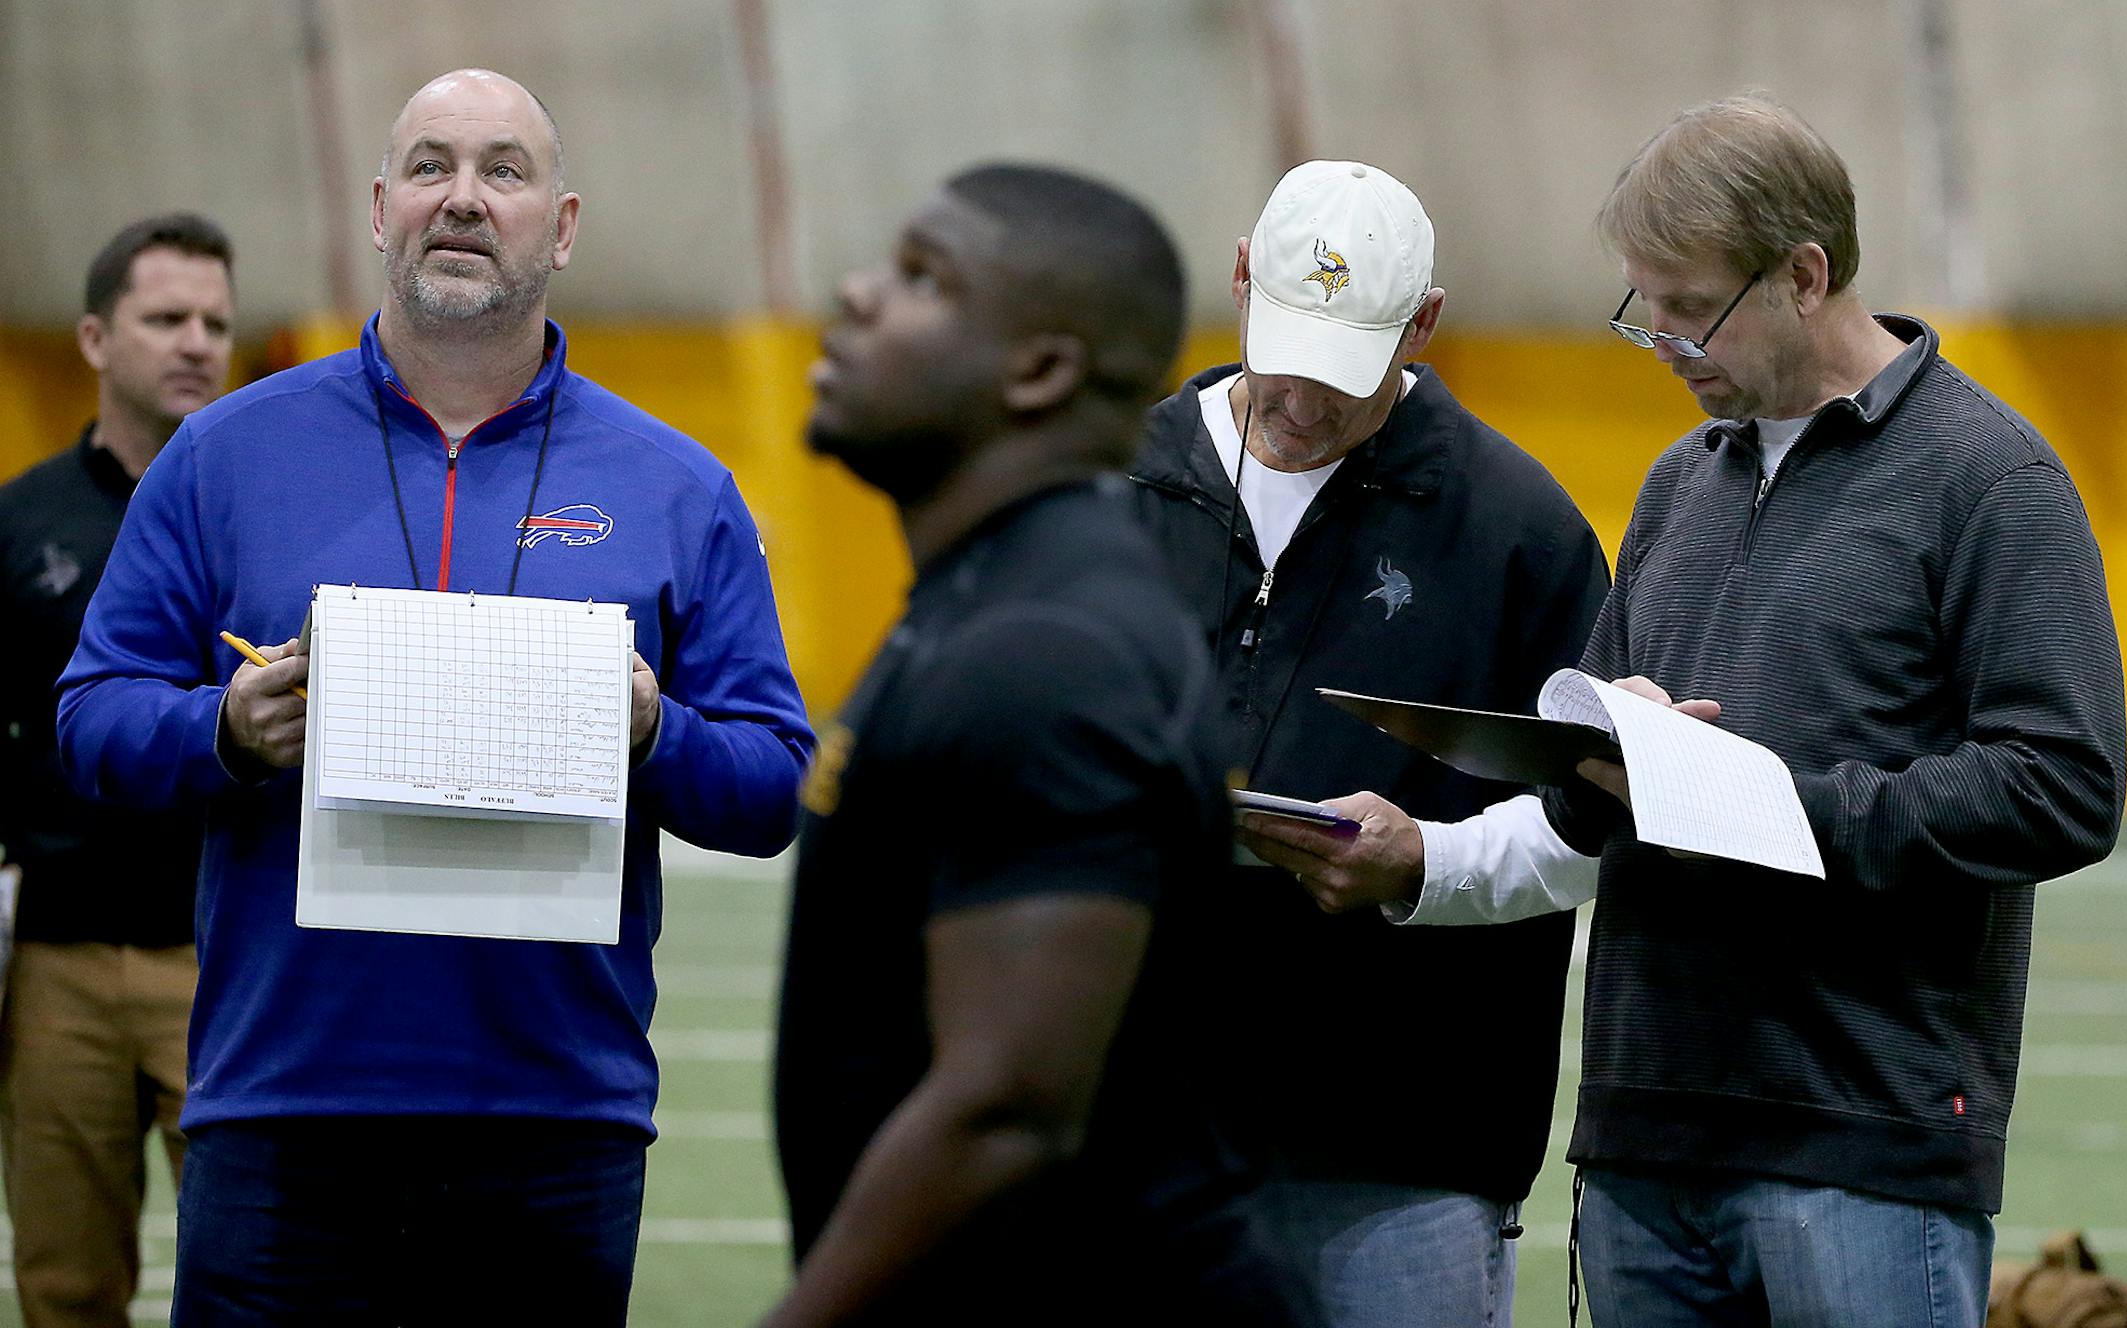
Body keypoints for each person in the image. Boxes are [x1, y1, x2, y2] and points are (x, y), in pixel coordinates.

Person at [54, 69, 812, 1325]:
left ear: (561, 227)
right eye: (429, 167)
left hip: (558, 1124)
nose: (462, 199)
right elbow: (90, 717)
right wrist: (225, 728)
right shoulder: (223, 455)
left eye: (504, 171)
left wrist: (654, 730)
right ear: (379, 209)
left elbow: (773, 783)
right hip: (283, 1113)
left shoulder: (679, 486)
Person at [1543, 95, 2127, 1327]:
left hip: (1861, 1141)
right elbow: (1593, 785)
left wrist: (1775, 807)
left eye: (1693, 307)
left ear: (1805, 275)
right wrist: (1593, 752)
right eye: (1644, 306)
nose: (1664, 342)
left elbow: (2065, 784)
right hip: (1646, 1134)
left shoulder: (1990, 477)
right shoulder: (1677, 482)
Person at [769, 164, 1317, 1326]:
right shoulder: (997, 597)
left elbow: (1006, 1110)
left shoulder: (1047, 648)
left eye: (923, 277)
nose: (858, 294)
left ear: (1040, 370)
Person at [1126, 159, 1610, 1327]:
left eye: (1341, 372)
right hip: (1134, 1129)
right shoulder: (1111, 487)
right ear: (1240, 278)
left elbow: (1597, 823)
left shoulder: (1519, 532)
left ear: (1423, 324)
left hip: (1406, 1150)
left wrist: (1425, 867)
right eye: (1283, 353)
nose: (1299, 402)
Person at [0, 213, 232, 1328]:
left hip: (228, 954)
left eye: (216, 324)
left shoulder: (260, 517)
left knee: (258, 1277)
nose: (196, 342)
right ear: (95, 339)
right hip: (60, 961)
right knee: (64, 1285)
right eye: (167, 317)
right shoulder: (21, 521)